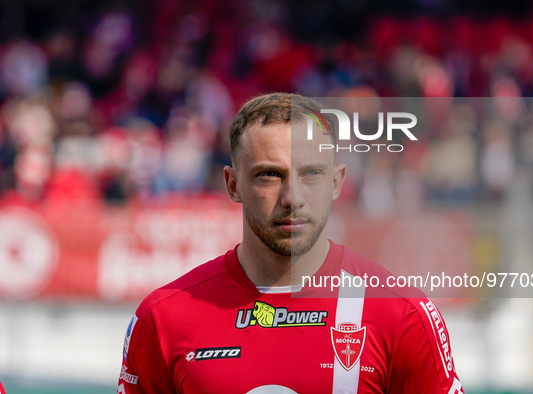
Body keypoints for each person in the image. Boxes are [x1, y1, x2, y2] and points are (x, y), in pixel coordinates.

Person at [117, 92, 464, 393]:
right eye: (270, 174)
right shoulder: (162, 318)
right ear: (233, 184)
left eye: (311, 173)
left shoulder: (401, 314)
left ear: (336, 182)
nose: (292, 197)